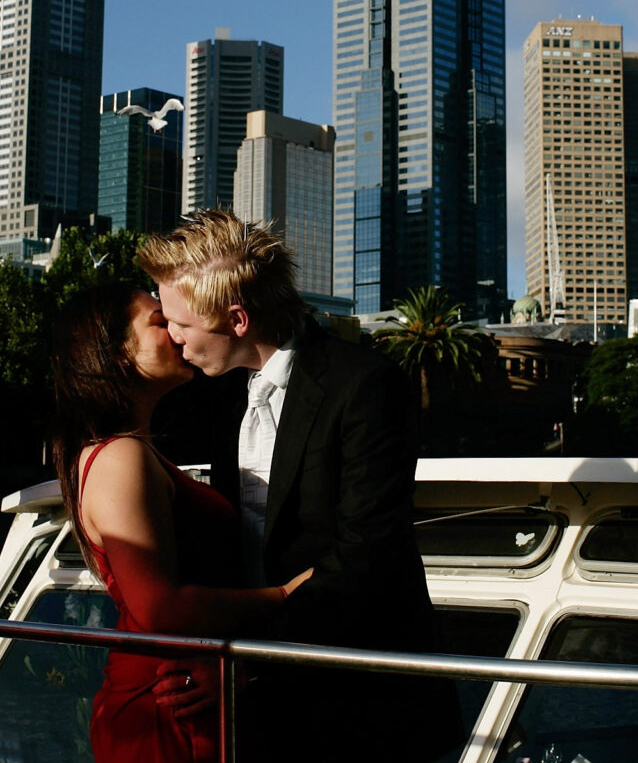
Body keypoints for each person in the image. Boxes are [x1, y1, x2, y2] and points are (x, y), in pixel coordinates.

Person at [138, 209, 464, 763]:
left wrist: (248, 668)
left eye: (181, 325)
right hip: (256, 705)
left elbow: (367, 557)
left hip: (361, 705)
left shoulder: (364, 384)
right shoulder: (214, 391)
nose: (171, 338)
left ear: (237, 320)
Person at [48, 281, 312, 763]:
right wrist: (283, 597)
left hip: (185, 691)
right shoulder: (120, 456)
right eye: (157, 321)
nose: (175, 329)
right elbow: (158, 608)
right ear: (117, 353)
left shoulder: (132, 451)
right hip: (165, 706)